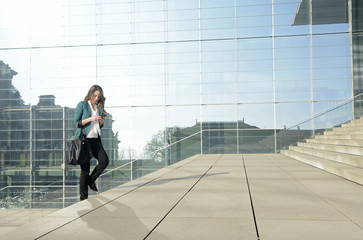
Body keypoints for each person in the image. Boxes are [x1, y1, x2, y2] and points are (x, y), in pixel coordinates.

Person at [73, 85, 109, 201]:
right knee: (85, 170)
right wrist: (91, 119)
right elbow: (77, 122)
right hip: (84, 140)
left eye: (99, 96)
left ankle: (91, 179)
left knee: (104, 161)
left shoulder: (99, 107)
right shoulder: (82, 105)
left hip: (95, 139)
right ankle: (83, 198)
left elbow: (100, 125)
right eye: (95, 95)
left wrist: (101, 121)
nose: (97, 98)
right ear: (90, 94)